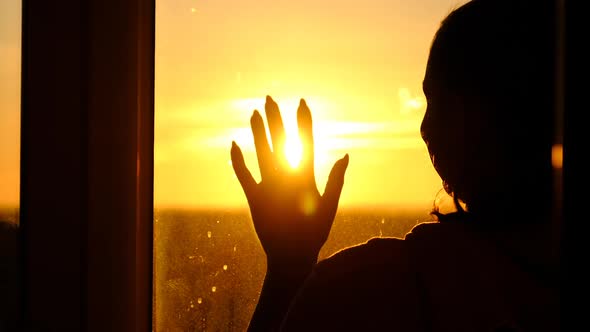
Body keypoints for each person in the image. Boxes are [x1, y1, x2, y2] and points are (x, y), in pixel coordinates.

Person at [230, 0, 560, 330]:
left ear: (490, 111)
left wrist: (289, 268)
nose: (424, 128)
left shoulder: (368, 288)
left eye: (440, 101)